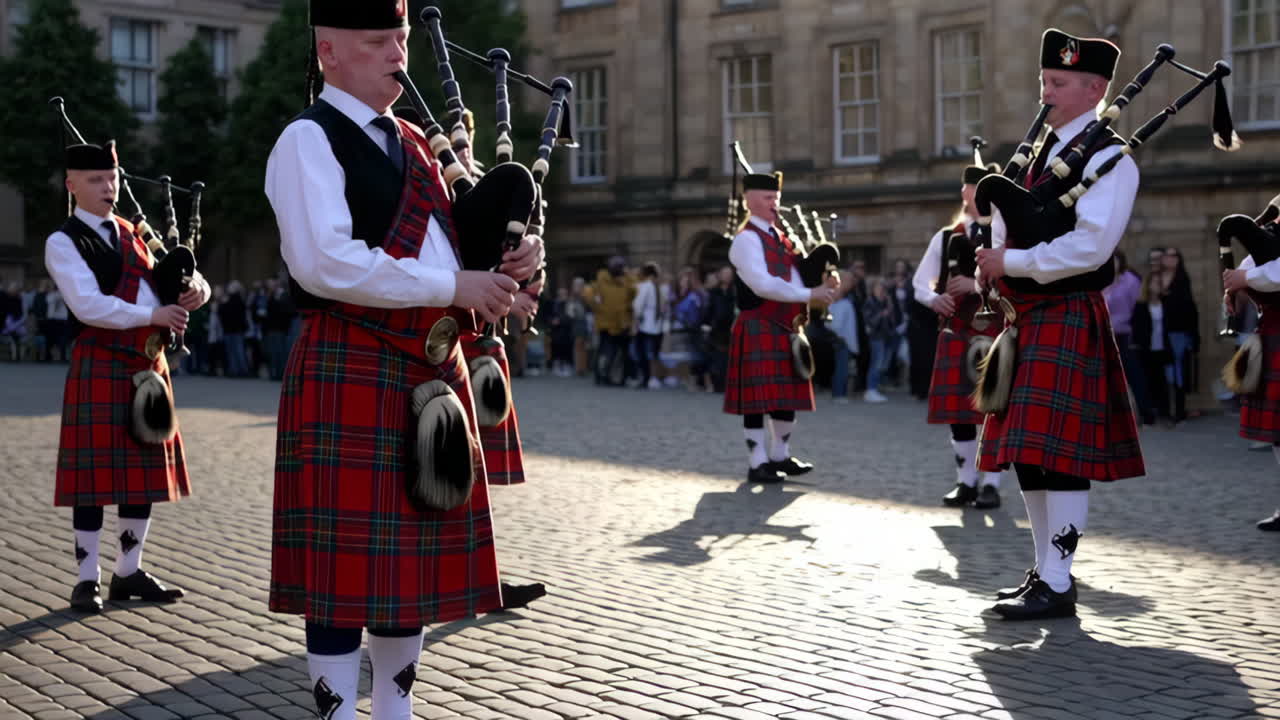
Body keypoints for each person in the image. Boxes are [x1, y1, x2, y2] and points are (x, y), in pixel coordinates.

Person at [263, 3, 544, 717]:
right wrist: (456, 284)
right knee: (342, 574)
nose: (397, 54)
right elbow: (326, 262)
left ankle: (394, 711)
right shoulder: (308, 140)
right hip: (350, 366)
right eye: (377, 41)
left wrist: (515, 268)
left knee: (405, 572)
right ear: (329, 51)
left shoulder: (419, 141)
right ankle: (335, 714)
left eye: (402, 39)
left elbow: (456, 247)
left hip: (429, 368)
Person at [974, 29, 1143, 621]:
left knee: (1061, 455)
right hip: (1025, 315)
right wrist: (995, 257)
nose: (1047, 89)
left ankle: (1059, 577)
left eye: (1061, 81)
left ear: (1095, 88)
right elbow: (1005, 215)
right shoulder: (1039, 151)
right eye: (1046, 79)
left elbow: (1091, 248)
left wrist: (1012, 261)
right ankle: (1045, 571)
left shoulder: (1110, 159)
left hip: (1067, 312)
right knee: (1028, 451)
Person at [46, 138, 209, 614]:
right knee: (92, 479)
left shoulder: (135, 232)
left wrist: (197, 288)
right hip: (101, 361)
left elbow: (174, 277)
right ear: (71, 184)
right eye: (96, 180)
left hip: (147, 365)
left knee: (142, 477)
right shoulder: (63, 241)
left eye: (113, 178)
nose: (108, 188)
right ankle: (85, 578)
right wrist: (154, 316)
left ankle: (128, 571)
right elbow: (87, 305)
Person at [723, 170, 837, 483]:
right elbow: (763, 284)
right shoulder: (745, 241)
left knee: (785, 397)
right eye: (767, 197)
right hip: (758, 325)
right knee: (757, 400)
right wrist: (808, 294)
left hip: (786, 326)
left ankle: (780, 455)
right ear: (749, 200)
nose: (774, 203)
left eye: (776, 198)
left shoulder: (784, 239)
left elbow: (798, 276)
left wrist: (823, 281)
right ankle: (757, 461)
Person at [913, 160, 1003, 509]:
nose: (976, 195)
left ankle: (992, 483)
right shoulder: (946, 236)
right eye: (972, 188)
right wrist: (935, 299)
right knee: (960, 412)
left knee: (995, 409)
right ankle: (966, 481)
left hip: (995, 332)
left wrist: (976, 283)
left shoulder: (1003, 235)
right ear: (964, 192)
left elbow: (1016, 280)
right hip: (956, 330)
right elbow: (919, 283)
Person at [1224, 247, 1280, 531]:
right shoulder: (1272, 229)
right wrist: (1237, 281)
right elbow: (1251, 264)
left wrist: (1244, 277)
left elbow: (1271, 275)